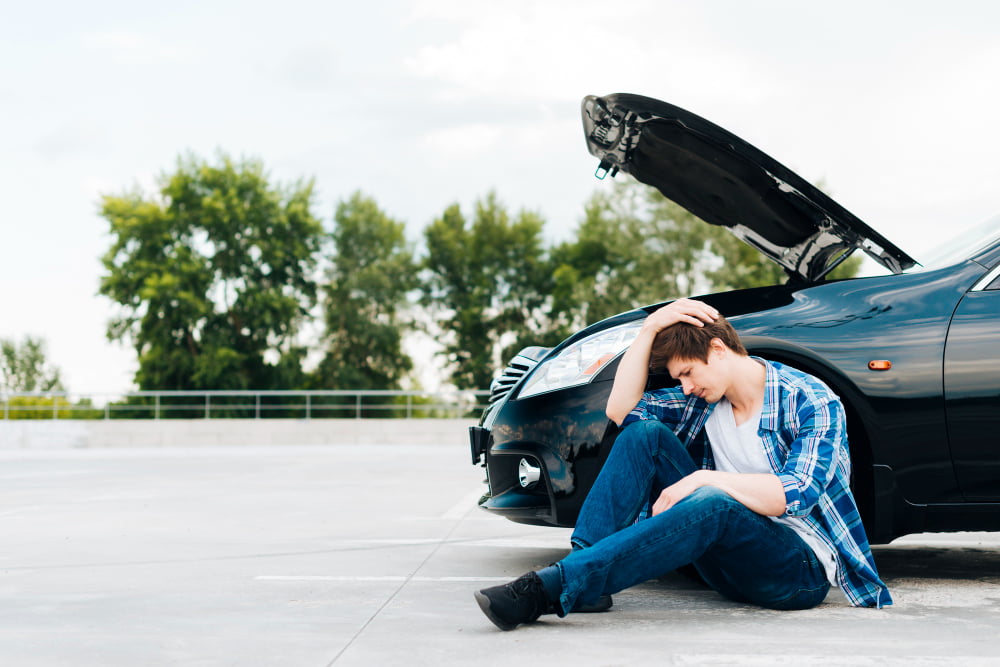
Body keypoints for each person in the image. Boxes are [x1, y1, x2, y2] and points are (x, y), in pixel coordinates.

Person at [475, 298, 892, 631]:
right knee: (645, 435)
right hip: (726, 558)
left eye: (688, 373)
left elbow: (794, 494)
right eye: (679, 381)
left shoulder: (810, 399)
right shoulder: (705, 402)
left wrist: (702, 479)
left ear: (718, 348)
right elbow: (621, 411)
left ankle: (548, 589)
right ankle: (585, 583)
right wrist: (649, 328)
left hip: (796, 570)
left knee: (713, 499)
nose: (686, 387)